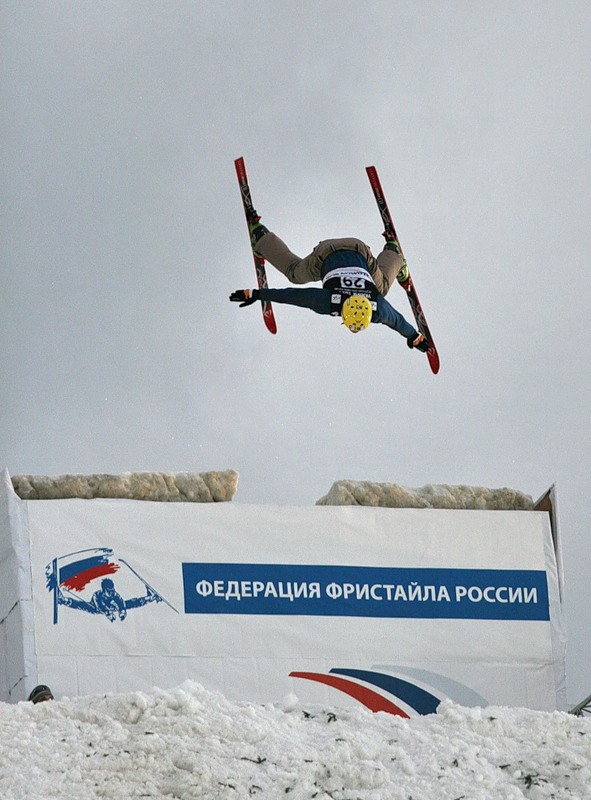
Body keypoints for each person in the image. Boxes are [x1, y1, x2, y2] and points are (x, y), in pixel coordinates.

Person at [230, 215, 429, 351]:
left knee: (381, 288)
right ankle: (261, 238)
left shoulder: (377, 306)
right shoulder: (328, 303)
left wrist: (414, 336)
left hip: (354, 248)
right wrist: (256, 294)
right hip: (335, 253)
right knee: (294, 274)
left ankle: (394, 253)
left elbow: (397, 321)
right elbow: (292, 296)